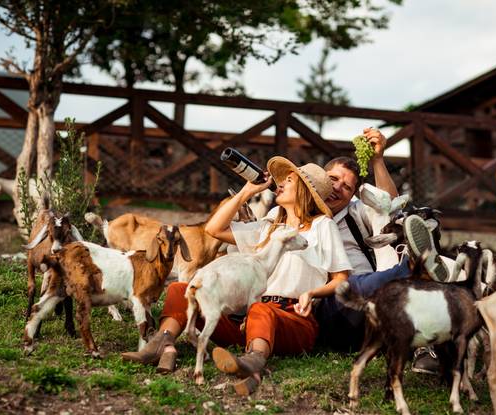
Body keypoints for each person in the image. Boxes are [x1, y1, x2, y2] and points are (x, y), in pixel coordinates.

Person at [121, 156, 352, 395]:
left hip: (294, 321)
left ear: (304, 190)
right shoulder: (269, 225)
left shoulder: (323, 226)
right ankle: (163, 343)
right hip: (247, 322)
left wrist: (311, 293)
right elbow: (214, 229)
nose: (280, 184)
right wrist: (245, 193)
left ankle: (252, 362)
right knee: (181, 289)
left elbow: (341, 279)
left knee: (261, 310)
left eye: (289, 180)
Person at [316, 127, 449, 374]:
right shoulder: (299, 215)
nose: (337, 188)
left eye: (346, 187)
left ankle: (425, 342)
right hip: (340, 305)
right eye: (333, 179)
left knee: (397, 222)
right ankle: (420, 268)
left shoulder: (355, 214)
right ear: (320, 178)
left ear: (352, 196)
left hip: (381, 302)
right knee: (394, 279)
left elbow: (387, 205)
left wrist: (377, 159)